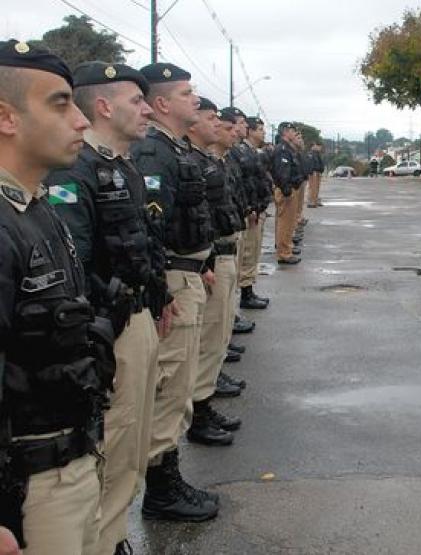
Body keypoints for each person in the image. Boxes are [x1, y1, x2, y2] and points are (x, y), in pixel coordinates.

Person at [43, 60, 167, 555]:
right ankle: (104, 540)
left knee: (131, 444)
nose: (146, 109)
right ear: (103, 105)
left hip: (136, 317)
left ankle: (114, 535)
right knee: (111, 445)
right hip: (108, 331)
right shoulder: (75, 169)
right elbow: (74, 266)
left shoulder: (123, 166)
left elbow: (139, 244)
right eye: (136, 101)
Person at [0, 39, 115, 554]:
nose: (82, 121)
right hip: (30, 489)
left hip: (71, 464)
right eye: (59, 103)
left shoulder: (36, 207)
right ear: (6, 118)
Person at [129, 62, 220, 523]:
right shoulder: (154, 152)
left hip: (185, 273)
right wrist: (163, 287)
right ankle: (161, 489)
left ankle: (166, 479)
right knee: (169, 388)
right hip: (171, 282)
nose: (195, 99)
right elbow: (150, 228)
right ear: (162, 103)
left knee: (179, 383)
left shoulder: (171, 147)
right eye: (187, 93)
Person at [183, 99, 244, 450]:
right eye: (212, 119)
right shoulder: (185, 159)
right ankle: (200, 410)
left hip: (214, 253)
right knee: (204, 339)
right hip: (199, 262)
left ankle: (204, 400)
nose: (220, 125)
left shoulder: (206, 160)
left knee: (216, 332)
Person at [236, 116, 272, 309]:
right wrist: (249, 207)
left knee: (253, 251)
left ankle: (248, 291)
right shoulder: (240, 152)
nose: (263, 132)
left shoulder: (253, 152)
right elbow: (243, 184)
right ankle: (245, 294)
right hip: (250, 211)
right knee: (247, 252)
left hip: (257, 208)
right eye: (259, 129)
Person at [271, 123, 305, 264]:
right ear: (285, 132)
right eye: (292, 130)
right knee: (285, 222)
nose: (294, 133)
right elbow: (282, 173)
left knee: (289, 222)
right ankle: (284, 253)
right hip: (286, 189)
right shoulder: (282, 149)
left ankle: (287, 247)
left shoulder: (287, 149)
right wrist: (287, 190)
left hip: (291, 187)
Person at [306, 142, 325, 208]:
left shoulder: (317, 154)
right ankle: (311, 202)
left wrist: (320, 171)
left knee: (316, 188)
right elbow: (310, 164)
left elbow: (319, 163)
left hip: (317, 172)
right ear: (312, 147)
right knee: (312, 188)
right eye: (315, 146)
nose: (317, 147)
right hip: (313, 172)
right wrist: (312, 172)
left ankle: (315, 201)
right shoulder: (310, 154)